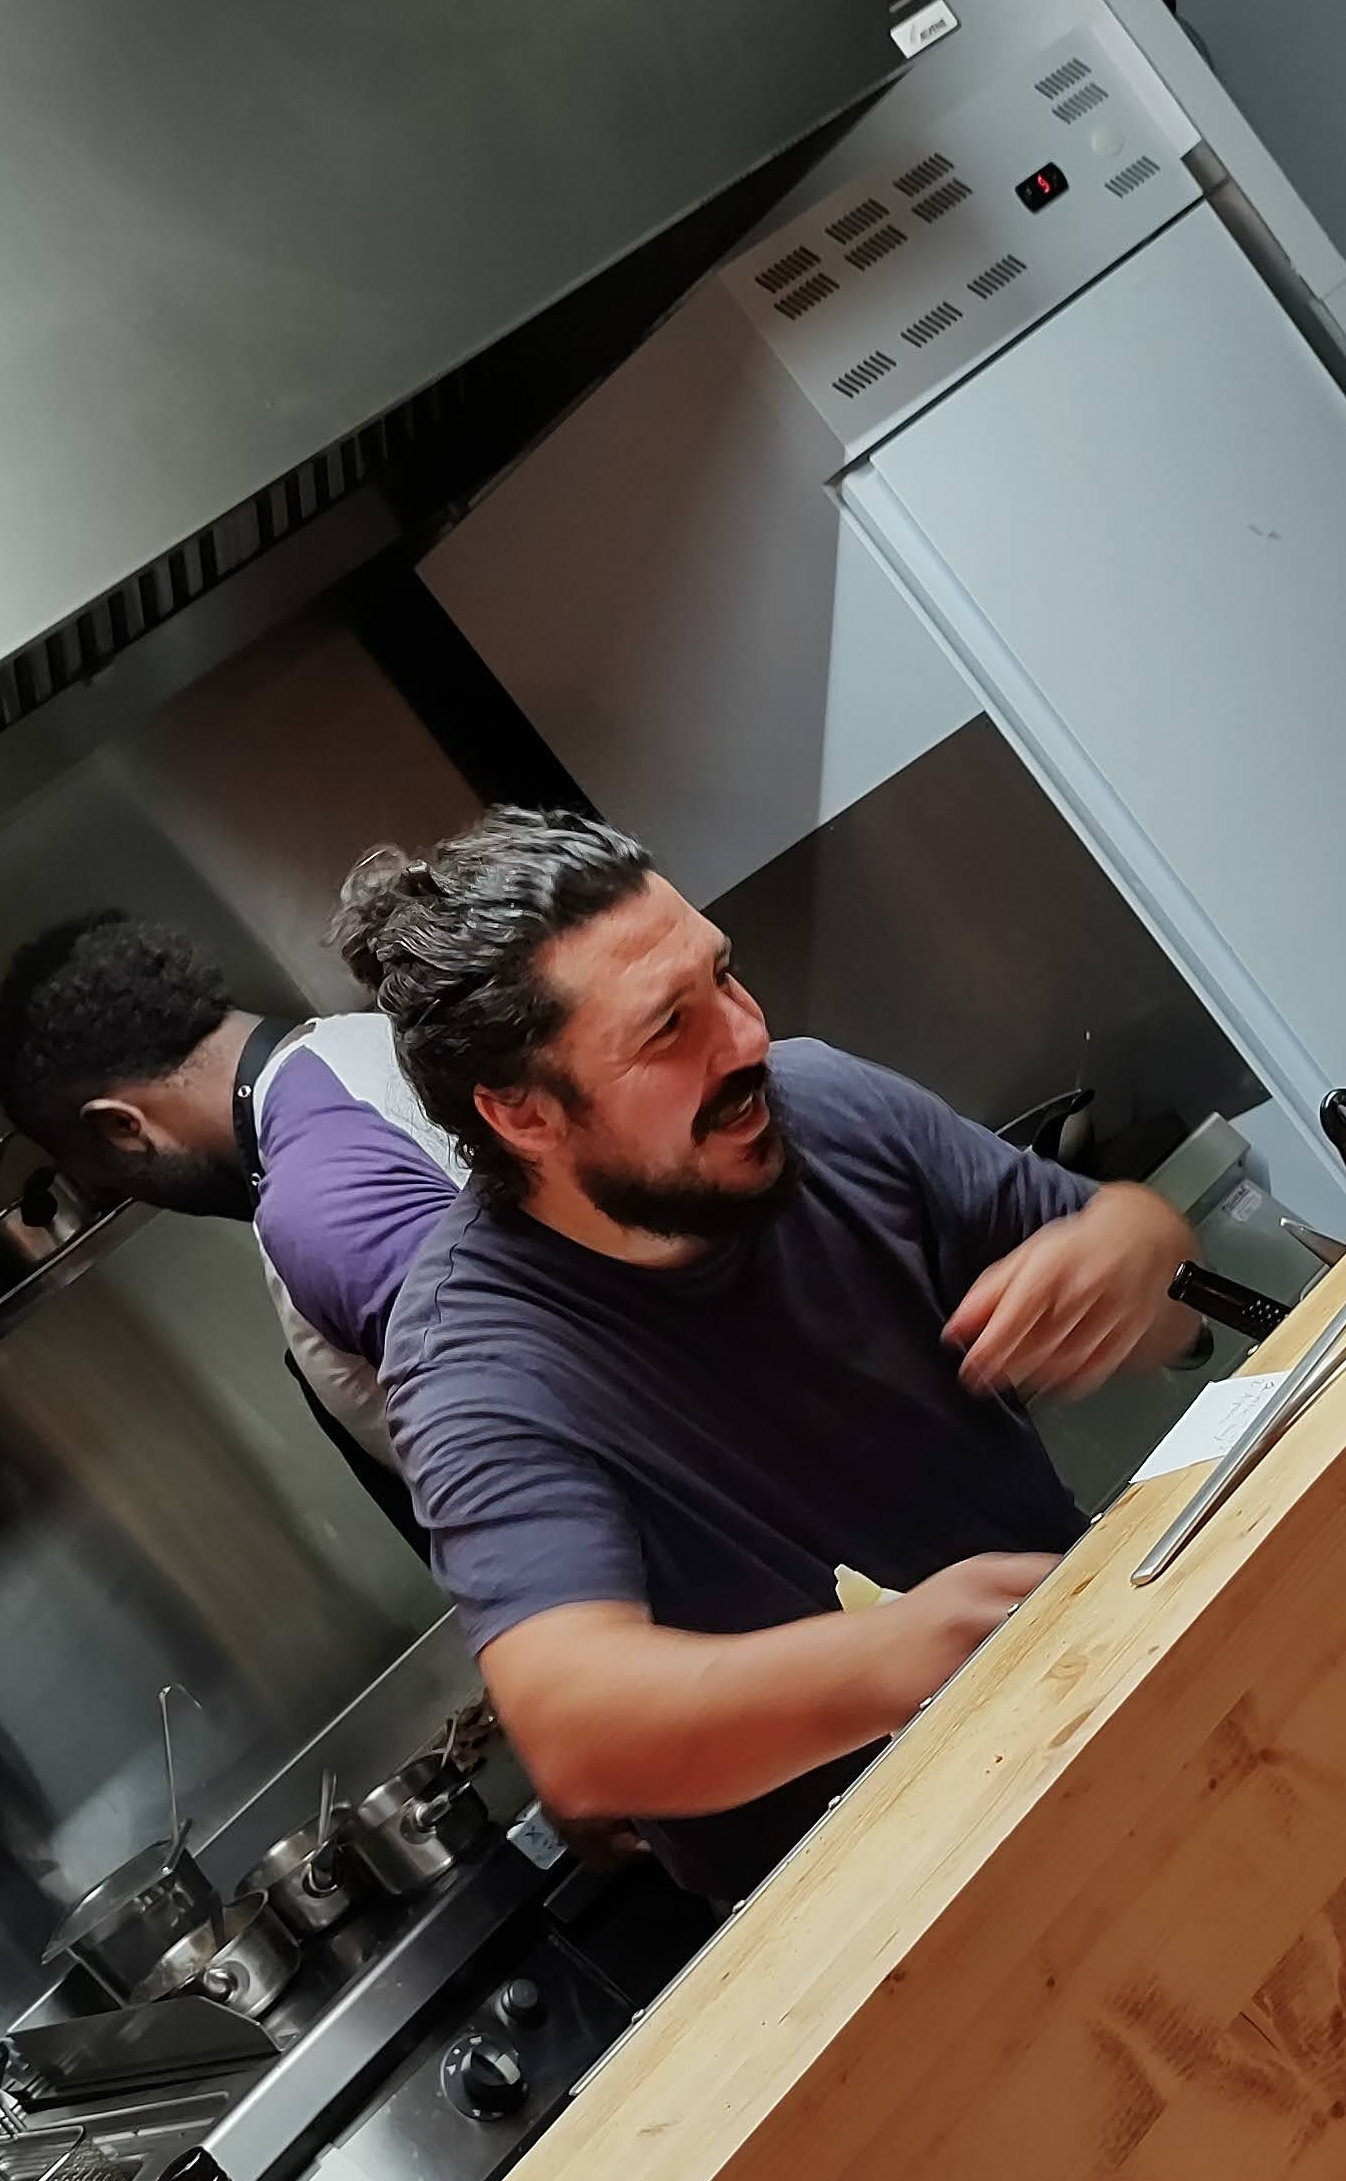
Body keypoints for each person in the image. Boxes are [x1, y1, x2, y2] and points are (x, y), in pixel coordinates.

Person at [342, 806, 1198, 1902]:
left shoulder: (823, 1105)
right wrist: (907, 1656)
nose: (745, 1038)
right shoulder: (475, 1363)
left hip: (1112, 1694)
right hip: (876, 1897)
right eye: (668, 1027)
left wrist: (1133, 1238)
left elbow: (1167, 1300)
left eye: (724, 977)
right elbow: (579, 1727)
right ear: (522, 1115)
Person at [0, 911, 462, 1480]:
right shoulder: (374, 1037)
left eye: (112, 1179)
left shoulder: (318, 1207)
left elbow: (526, 1440)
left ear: (121, 1126)